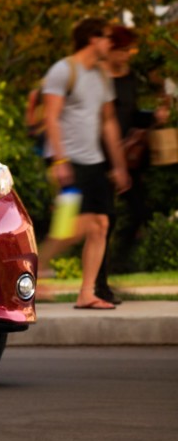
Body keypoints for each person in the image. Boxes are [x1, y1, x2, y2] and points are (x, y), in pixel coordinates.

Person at [36, 17, 130, 309]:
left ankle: (87, 292)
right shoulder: (63, 71)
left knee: (101, 224)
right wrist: (60, 159)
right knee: (69, 228)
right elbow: (50, 117)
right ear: (92, 38)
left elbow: (109, 122)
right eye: (105, 37)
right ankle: (37, 268)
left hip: (95, 163)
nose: (109, 44)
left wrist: (118, 165)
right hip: (70, 162)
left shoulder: (101, 76)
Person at [98, 26, 171, 302]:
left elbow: (132, 115)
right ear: (112, 49)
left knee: (138, 211)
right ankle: (100, 284)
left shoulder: (129, 79)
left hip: (127, 160)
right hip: (104, 159)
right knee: (104, 221)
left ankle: (116, 265)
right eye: (124, 49)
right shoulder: (100, 80)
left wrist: (154, 116)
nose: (128, 55)